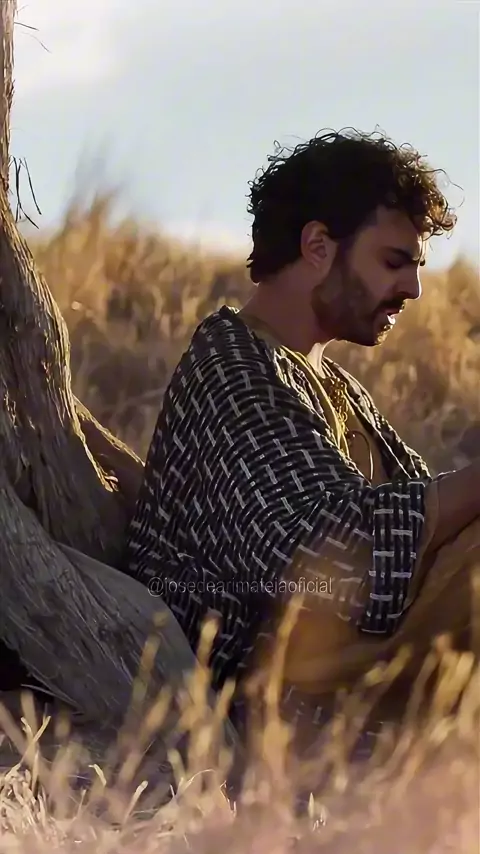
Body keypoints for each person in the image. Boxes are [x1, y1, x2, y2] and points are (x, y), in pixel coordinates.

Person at [122, 129, 479, 746]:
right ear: (317, 246)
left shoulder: (335, 385)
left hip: (369, 671)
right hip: (277, 708)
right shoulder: (230, 369)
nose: (413, 289)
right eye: (394, 262)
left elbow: (428, 515)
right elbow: (322, 558)